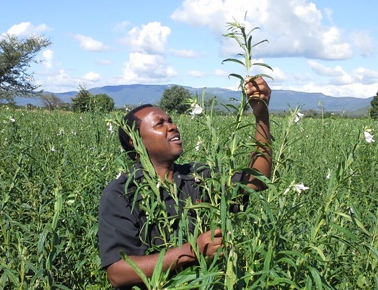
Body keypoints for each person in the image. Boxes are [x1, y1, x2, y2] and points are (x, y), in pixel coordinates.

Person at [98, 76, 272, 289]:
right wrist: (192, 251)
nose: (172, 126)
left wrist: (261, 115)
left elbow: (257, 181)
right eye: (160, 123)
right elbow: (118, 272)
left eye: (170, 120)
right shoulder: (122, 192)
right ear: (135, 141)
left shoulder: (197, 176)